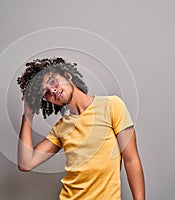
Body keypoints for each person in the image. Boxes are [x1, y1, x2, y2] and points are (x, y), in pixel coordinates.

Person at [17, 57, 145, 200]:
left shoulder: (112, 106)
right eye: (45, 93)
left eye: (52, 81)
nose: (52, 90)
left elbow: (131, 160)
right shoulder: (61, 128)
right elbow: (26, 163)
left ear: (67, 75)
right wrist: (27, 115)